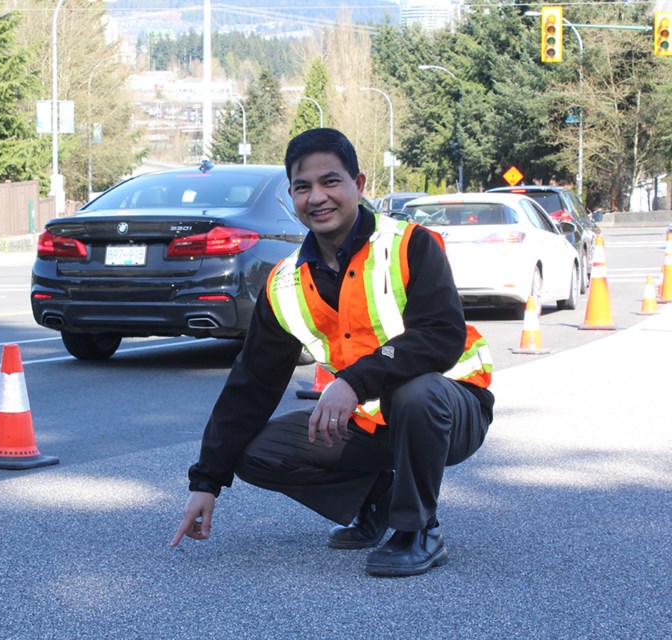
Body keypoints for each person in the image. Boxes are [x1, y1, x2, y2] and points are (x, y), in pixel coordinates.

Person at [170, 128, 494, 577]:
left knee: (414, 392)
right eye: (303, 187)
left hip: (449, 408)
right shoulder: (285, 282)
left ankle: (419, 530)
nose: (317, 197)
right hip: (367, 421)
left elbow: (440, 334)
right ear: (290, 196)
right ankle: (376, 497)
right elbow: (251, 385)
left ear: (359, 185)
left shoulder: (410, 244)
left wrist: (354, 381)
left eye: (330, 182)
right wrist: (206, 481)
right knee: (255, 453)